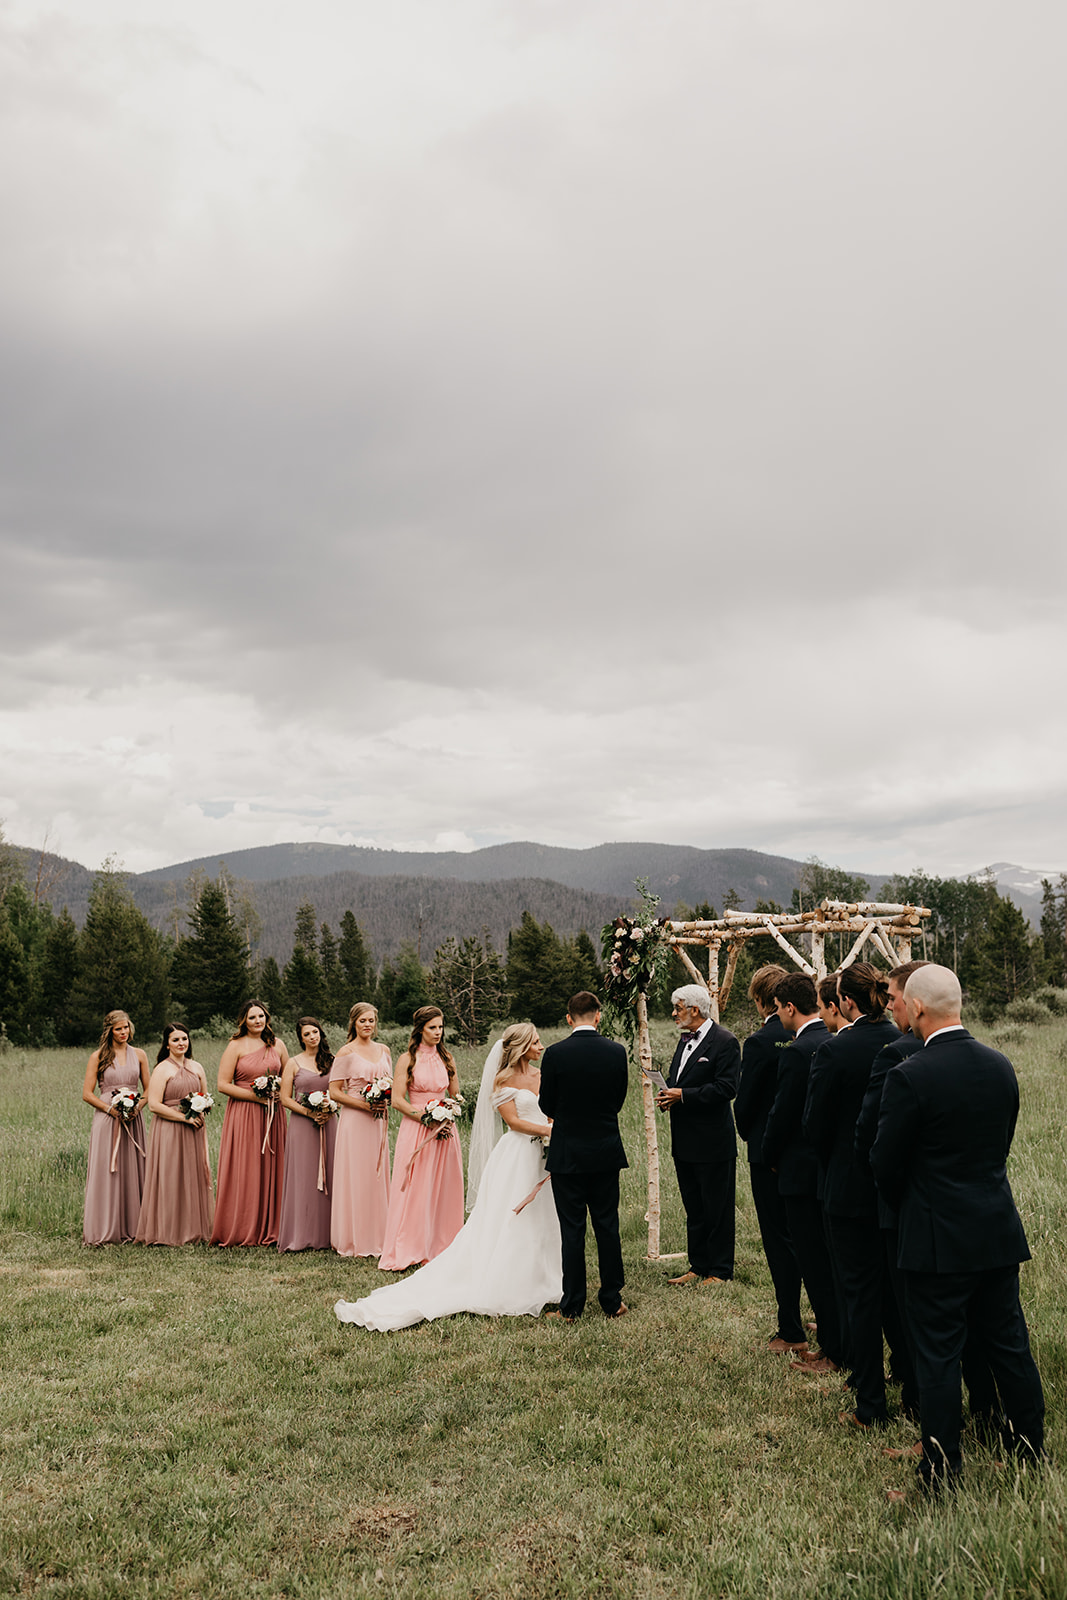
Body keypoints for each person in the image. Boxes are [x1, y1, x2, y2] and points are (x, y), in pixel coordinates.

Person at [870, 963, 1045, 1489]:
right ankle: (1029, 1450)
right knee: (1010, 1343)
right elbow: (999, 1145)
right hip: (994, 1228)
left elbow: (884, 1164)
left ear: (917, 1008)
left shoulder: (909, 1075)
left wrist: (915, 1205)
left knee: (938, 1354)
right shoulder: (1000, 1065)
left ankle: (941, 1470)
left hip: (935, 1238)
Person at [334, 1024, 561, 1329]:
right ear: (520, 1047)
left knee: (546, 1214)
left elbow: (550, 1110)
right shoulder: (503, 1080)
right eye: (535, 1042)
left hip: (545, 1153)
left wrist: (554, 1127)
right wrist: (550, 1131)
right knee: (511, 1217)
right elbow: (514, 1122)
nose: (541, 1046)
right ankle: (509, 1275)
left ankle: (547, 1274)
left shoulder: (542, 1076)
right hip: (518, 1155)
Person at [803, 963, 899, 1428]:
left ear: (845, 1002)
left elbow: (814, 1127)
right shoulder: (905, 1042)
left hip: (847, 1187)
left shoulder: (834, 1052)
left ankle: (870, 1400)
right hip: (898, 1189)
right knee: (899, 1293)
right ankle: (911, 1382)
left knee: (859, 1294)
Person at [762, 972, 843, 1373]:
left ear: (790, 1008)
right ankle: (835, 1331)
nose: (778, 1015)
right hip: (828, 1167)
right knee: (830, 1259)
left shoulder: (797, 1051)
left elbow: (784, 1112)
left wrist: (769, 1153)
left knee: (813, 1261)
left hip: (798, 1169)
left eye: (778, 1009)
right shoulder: (832, 1040)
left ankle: (830, 1347)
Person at [539, 990, 628, 1322]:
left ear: (568, 1018)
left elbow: (546, 1104)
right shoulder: (616, 1052)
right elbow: (618, 1100)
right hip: (605, 1151)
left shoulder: (555, 1054)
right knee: (607, 1225)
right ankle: (612, 1300)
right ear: (598, 1016)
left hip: (568, 1153)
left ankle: (572, 1305)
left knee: (572, 1229)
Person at [733, 964, 806, 1353]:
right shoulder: (816, 1034)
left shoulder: (761, 1042)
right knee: (808, 1239)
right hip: (807, 1151)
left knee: (779, 1241)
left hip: (767, 1152)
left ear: (763, 1000)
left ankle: (790, 1327)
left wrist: (750, 1135)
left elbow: (744, 1105)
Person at [656, 984, 740, 1287]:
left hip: (713, 1142)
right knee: (694, 1207)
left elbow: (727, 1088)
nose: (674, 1013)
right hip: (684, 1140)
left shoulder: (725, 1042)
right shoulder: (684, 1041)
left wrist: (684, 1096)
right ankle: (698, 1264)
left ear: (694, 1009)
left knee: (717, 1207)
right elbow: (682, 1080)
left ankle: (720, 1270)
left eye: (678, 1008)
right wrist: (669, 1094)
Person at [377, 1006, 464, 1272]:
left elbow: (456, 1093)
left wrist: (448, 1111)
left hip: (445, 1131)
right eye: (432, 1028)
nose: (438, 1032)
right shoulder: (407, 1059)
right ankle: (411, 1246)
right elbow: (396, 1100)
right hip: (417, 1129)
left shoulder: (447, 1057)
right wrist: (426, 1117)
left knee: (444, 1187)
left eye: (440, 1027)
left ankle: (442, 1243)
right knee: (416, 1187)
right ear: (420, 1029)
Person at [210, 1000, 289, 1247]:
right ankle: (243, 1225)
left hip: (273, 1114)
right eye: (253, 1017)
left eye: (262, 1016)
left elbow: (289, 1077)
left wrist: (278, 1094)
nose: (258, 1021)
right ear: (244, 1020)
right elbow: (223, 1084)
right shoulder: (235, 1046)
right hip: (244, 1113)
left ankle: (273, 1224)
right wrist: (257, 1097)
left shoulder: (278, 1044)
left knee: (272, 1165)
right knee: (246, 1166)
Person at [135, 1023, 214, 1246]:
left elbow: (205, 1096)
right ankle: (168, 1231)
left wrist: (201, 1109)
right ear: (167, 1044)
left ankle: (194, 1229)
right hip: (170, 1127)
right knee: (171, 1176)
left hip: (195, 1128)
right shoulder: (162, 1069)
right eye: (176, 1040)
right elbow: (153, 1105)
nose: (181, 1043)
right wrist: (183, 1118)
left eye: (184, 1039)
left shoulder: (197, 1066)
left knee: (193, 1174)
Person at [329, 1003, 393, 1258]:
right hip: (355, 1121)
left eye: (371, 1021)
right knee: (356, 1176)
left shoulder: (385, 1050)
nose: (368, 1025)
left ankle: (379, 1234)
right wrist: (365, 1105)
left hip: (378, 1121)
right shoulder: (346, 1052)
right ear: (354, 1023)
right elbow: (334, 1091)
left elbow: (391, 1084)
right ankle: (354, 1237)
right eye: (363, 1021)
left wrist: (384, 1100)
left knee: (376, 1176)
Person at [82, 1009, 149, 1245]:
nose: (123, 1032)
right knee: (109, 1172)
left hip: (133, 1118)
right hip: (107, 1119)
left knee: (133, 1170)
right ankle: (106, 1228)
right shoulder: (98, 1056)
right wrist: (111, 1109)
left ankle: (134, 1227)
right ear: (109, 1030)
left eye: (126, 1027)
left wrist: (137, 1108)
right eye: (118, 1028)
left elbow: (149, 1089)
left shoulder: (140, 1054)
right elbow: (87, 1094)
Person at [277, 1017, 337, 1252]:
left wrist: (330, 1109)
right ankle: (301, 1234)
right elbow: (284, 1098)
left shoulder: (332, 1061)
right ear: (300, 1038)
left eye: (315, 1032)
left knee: (331, 1173)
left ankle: (329, 1233)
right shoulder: (293, 1063)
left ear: (321, 1033)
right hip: (302, 1127)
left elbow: (339, 1092)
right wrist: (309, 1114)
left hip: (329, 1122)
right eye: (307, 1034)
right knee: (303, 1176)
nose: (313, 1037)